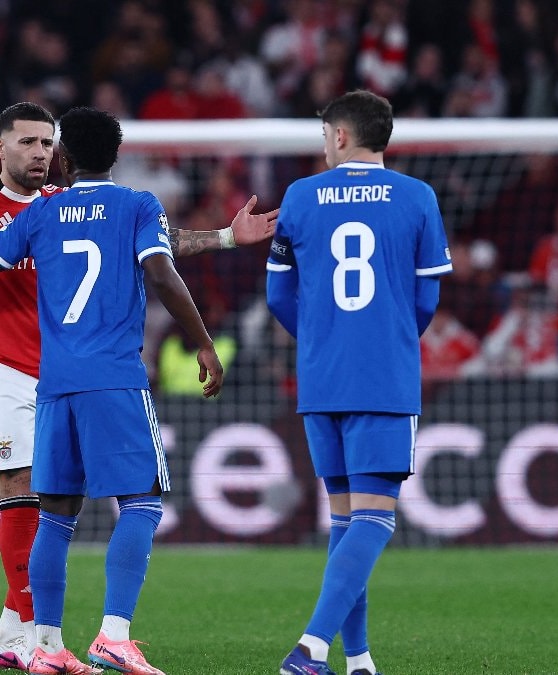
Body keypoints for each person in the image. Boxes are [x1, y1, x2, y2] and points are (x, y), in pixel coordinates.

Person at [0, 101, 277, 672]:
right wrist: (204, 341)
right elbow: (160, 266)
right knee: (143, 501)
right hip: (108, 377)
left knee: (54, 515)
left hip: (53, 382)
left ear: (63, 156)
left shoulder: (41, 213)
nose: (41, 154)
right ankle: (111, 634)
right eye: (28, 143)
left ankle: (44, 643)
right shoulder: (135, 204)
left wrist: (225, 236)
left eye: (47, 145)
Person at [267, 90, 452, 675]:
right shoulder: (417, 197)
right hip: (383, 378)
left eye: (325, 134)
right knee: (374, 519)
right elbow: (427, 300)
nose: (324, 144)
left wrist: (322, 338)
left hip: (321, 380)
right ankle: (310, 648)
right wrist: (387, 337)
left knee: (347, 521)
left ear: (341, 135)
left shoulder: (300, 196)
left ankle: (359, 658)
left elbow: (278, 294)